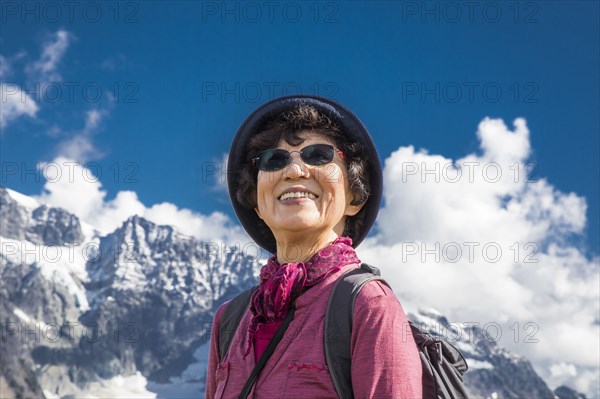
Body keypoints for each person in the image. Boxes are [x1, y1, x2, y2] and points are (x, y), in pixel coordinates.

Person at [205, 95, 422, 398]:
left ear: (355, 197)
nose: (294, 170)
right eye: (273, 160)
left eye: (318, 155)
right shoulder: (228, 320)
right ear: (256, 203)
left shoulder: (368, 304)